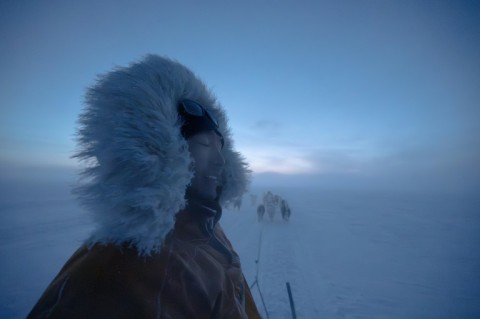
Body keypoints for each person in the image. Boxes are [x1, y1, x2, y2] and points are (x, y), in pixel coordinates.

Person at [27, 55, 260, 318]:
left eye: (220, 147)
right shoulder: (114, 275)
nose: (219, 161)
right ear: (160, 152)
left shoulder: (206, 228)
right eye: (205, 146)